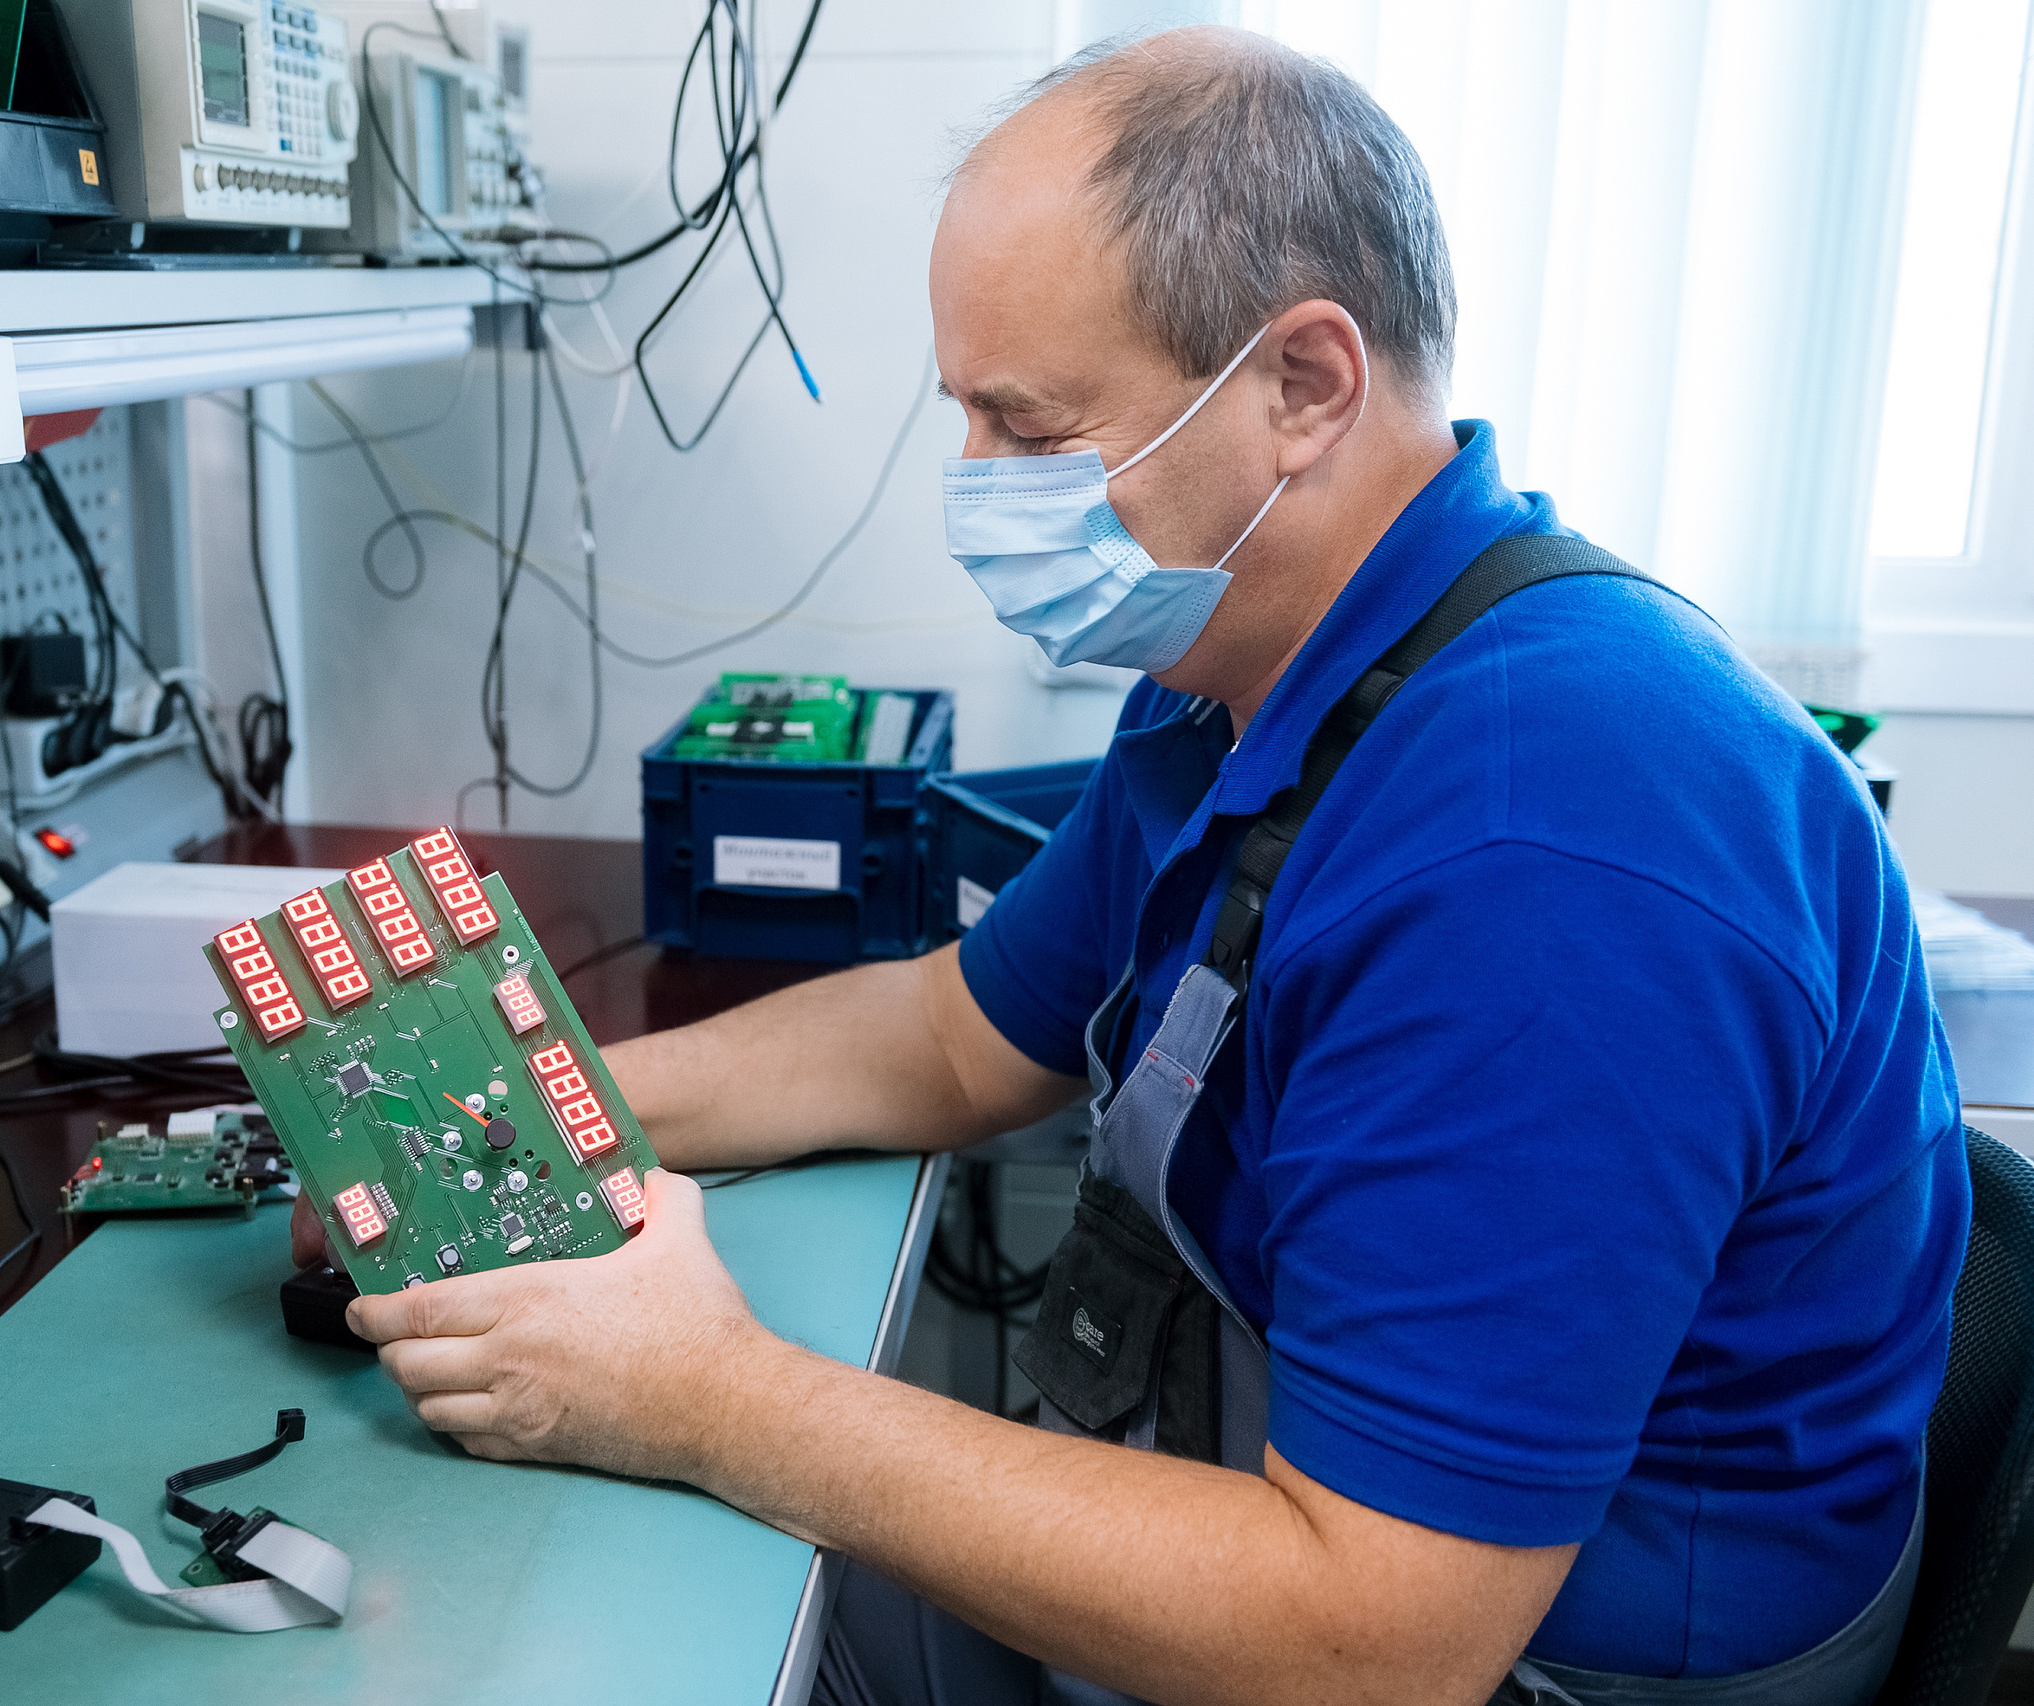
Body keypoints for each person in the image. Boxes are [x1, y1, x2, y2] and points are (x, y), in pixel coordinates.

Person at [293, 25, 1969, 1705]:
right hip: (1322, 1524)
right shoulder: (1243, 676)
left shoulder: (1541, 844)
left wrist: (707, 1394)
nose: (976, 490)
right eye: (964, 417)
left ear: (1302, 384)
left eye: (1027, 428)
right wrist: (517, 1128)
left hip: (1513, 1656)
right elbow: (949, 1036)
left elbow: (1379, 1646)